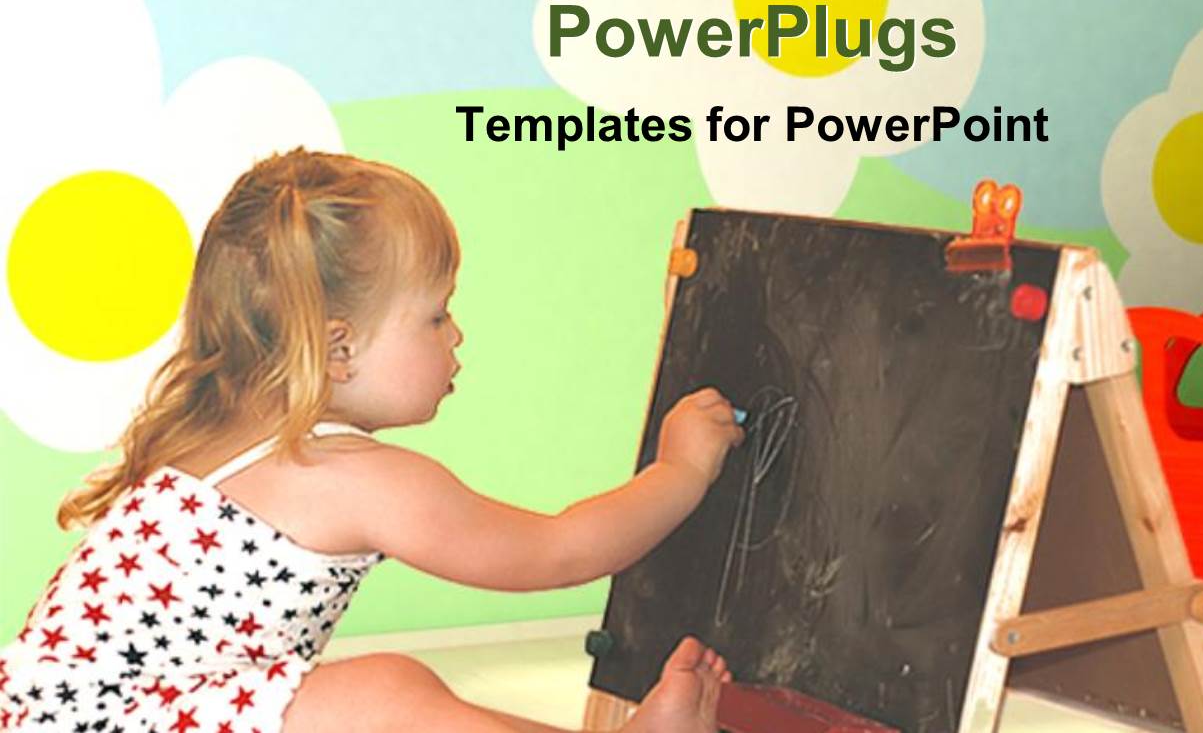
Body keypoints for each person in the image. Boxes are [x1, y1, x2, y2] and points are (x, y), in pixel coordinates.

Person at [0, 149, 743, 733]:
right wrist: (681, 468)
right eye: (436, 315)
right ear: (340, 349)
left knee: (381, 697)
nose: (456, 335)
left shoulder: (219, 434)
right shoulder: (348, 475)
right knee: (382, 695)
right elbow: (559, 552)